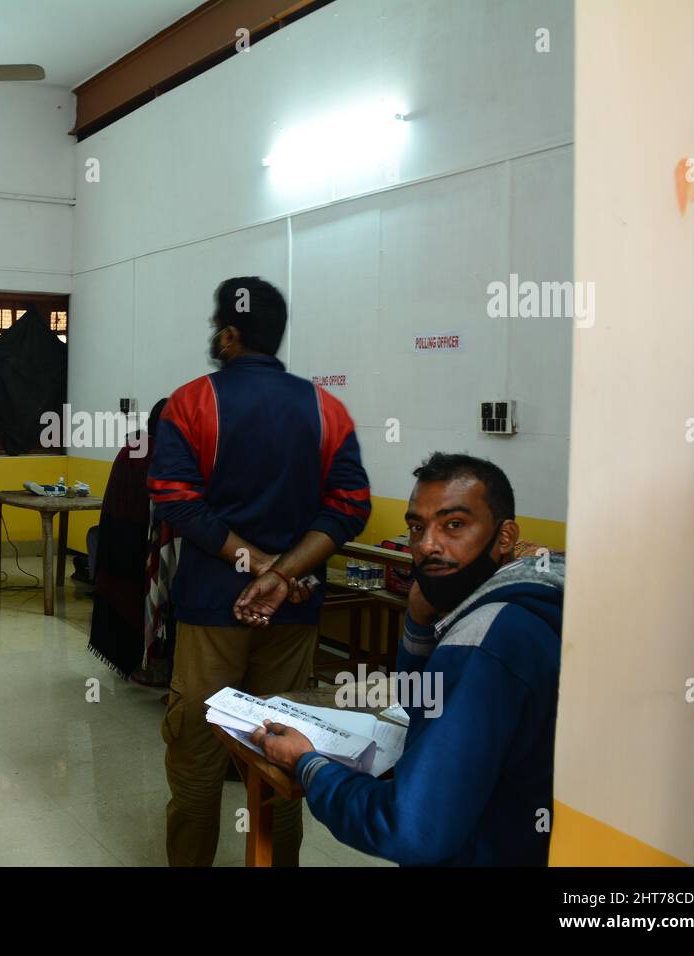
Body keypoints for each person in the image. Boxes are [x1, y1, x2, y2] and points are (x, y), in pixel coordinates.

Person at [243, 453, 565, 866]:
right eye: (417, 527)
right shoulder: (535, 599)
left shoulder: (482, 638)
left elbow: (408, 830)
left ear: (505, 537)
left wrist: (307, 763)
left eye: (454, 525)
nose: (427, 545)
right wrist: (416, 623)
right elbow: (422, 709)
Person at [148, 276, 371, 866]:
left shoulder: (190, 402)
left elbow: (174, 499)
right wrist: (282, 574)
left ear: (228, 335)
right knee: (283, 752)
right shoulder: (328, 409)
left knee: (197, 754)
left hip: (211, 610)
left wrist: (255, 565)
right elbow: (351, 508)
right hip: (294, 610)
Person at [87, 397, 168, 681]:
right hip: (144, 541)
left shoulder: (133, 446)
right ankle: (147, 665)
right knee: (146, 598)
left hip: (117, 536)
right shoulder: (163, 453)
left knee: (121, 596)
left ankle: (130, 664)